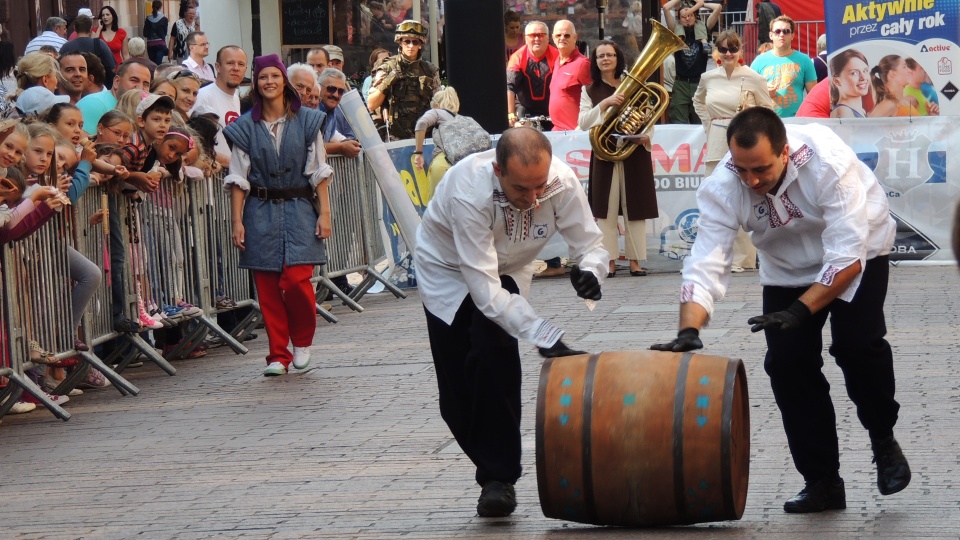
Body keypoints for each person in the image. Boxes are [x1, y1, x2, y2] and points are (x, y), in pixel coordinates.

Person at [651, 106, 911, 514]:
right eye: (742, 170)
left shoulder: (827, 160)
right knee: (787, 365)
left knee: (858, 347)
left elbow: (846, 257)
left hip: (860, 250)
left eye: (761, 170)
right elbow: (706, 260)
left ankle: (883, 437)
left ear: (785, 152)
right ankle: (822, 480)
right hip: (786, 267)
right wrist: (690, 328)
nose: (752, 181)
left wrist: (800, 312)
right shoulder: (724, 184)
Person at [415, 127, 607, 517]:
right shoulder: (470, 191)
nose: (533, 198)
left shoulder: (561, 180)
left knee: (495, 353)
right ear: (498, 169)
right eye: (522, 189)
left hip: (510, 269)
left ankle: (498, 478)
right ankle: (490, 462)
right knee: (456, 397)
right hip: (448, 270)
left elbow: (591, 243)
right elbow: (483, 290)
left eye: (540, 187)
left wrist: (591, 271)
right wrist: (543, 334)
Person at [222, 54, 332, 377]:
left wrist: (325, 213)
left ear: (284, 81)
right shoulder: (244, 128)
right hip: (260, 210)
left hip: (299, 208)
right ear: (255, 84)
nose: (268, 81)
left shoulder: (308, 121)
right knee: (267, 286)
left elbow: (319, 171)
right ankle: (277, 355)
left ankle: (301, 341)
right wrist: (237, 220)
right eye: (262, 77)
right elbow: (238, 177)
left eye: (274, 76)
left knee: (297, 280)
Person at [693, 29, 775, 272]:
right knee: (715, 199)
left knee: (745, 200)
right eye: (724, 49)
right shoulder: (708, 77)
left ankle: (744, 258)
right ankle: (715, 256)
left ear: (740, 50)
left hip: (744, 140)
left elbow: (767, 109)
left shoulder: (753, 77)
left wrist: (757, 133)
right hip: (717, 139)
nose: (728, 53)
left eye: (733, 48)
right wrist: (709, 124)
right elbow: (698, 101)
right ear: (717, 51)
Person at [579, 40, 658, 277]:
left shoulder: (631, 85)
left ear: (617, 58)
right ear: (595, 61)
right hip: (604, 152)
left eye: (610, 55)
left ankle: (635, 261)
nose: (605, 59)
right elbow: (582, 122)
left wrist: (645, 137)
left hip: (633, 151)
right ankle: (609, 261)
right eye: (600, 56)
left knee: (635, 207)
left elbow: (647, 117)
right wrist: (604, 104)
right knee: (606, 210)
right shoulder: (589, 90)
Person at [367, 20, 440, 141]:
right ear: (400, 42)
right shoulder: (387, 67)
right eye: (407, 41)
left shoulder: (430, 70)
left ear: (420, 44)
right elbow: (372, 104)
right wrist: (389, 80)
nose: (411, 46)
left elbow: (438, 107)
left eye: (415, 42)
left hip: (424, 136)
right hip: (394, 137)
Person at [664, 0, 722, 124]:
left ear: (695, 16)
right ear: (679, 19)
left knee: (700, 124)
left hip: (699, 83)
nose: (687, 18)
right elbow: (666, 7)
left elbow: (718, 7)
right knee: (678, 123)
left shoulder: (704, 28)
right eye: (683, 16)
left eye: (690, 15)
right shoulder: (675, 29)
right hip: (681, 83)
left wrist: (700, 4)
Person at [751, 15, 817, 118]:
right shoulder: (759, 61)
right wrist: (763, 91)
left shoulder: (804, 60)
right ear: (771, 35)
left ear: (792, 35)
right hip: (766, 121)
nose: (781, 34)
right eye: (777, 31)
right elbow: (749, 94)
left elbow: (814, 96)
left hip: (795, 122)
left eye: (786, 31)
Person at [193, 46, 247, 166]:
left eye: (241, 64)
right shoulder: (203, 96)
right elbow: (196, 143)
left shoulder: (236, 97)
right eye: (230, 63)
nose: (236, 68)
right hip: (213, 176)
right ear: (218, 67)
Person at [77, 58, 152, 136]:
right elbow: (82, 145)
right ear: (116, 82)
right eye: (134, 80)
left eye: (146, 84)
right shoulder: (94, 103)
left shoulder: (143, 112)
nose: (140, 88)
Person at [506, 21, 558, 129]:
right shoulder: (517, 57)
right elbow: (509, 86)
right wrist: (510, 113)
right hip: (526, 107)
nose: (537, 39)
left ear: (548, 38)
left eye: (541, 35)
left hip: (552, 108)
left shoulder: (557, 55)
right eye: (533, 35)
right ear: (525, 39)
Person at [547, 20, 590, 132]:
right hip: (558, 132)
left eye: (567, 35)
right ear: (553, 38)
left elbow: (594, 99)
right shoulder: (557, 61)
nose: (562, 38)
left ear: (575, 37)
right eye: (558, 35)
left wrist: (581, 128)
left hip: (575, 134)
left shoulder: (583, 64)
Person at [58, 15, 117, 89]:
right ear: (90, 29)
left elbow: (58, 69)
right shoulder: (100, 44)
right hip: (96, 87)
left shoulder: (66, 47)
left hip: (74, 88)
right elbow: (113, 67)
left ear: (75, 28)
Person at [829, 49, 870, 118]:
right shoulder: (844, 111)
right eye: (854, 73)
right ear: (837, 81)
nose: (863, 77)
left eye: (865, 71)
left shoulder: (860, 110)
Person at [143, 0, 169, 65]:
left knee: (152, 64)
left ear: (152, 7)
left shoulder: (148, 18)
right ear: (160, 7)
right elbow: (165, 33)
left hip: (150, 45)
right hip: (160, 44)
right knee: (158, 65)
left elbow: (145, 33)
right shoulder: (164, 19)